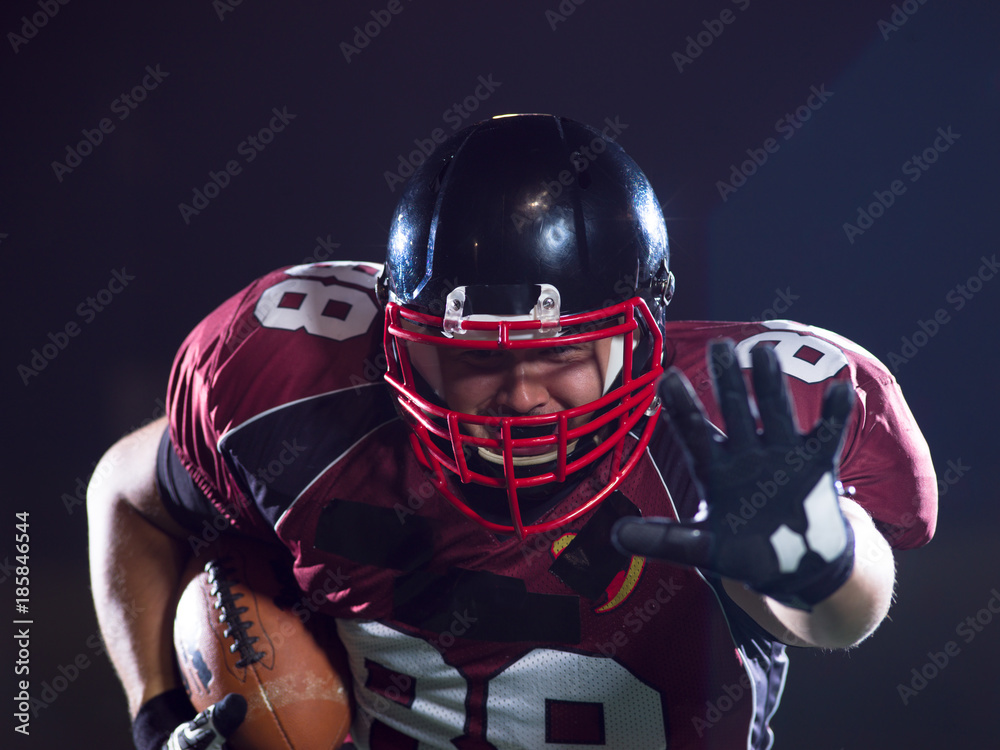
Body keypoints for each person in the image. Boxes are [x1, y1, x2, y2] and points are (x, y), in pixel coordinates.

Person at [88, 114, 938, 750]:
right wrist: (155, 712)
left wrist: (822, 562)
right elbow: (126, 495)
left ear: (634, 334)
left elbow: (836, 610)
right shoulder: (304, 399)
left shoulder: (714, 432)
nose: (522, 395)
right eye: (472, 357)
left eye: (563, 352)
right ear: (398, 338)